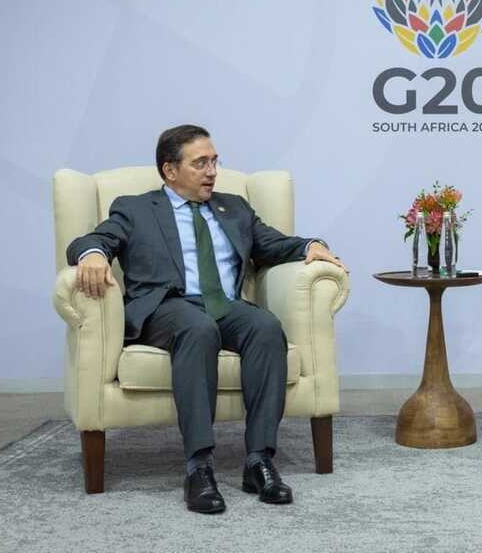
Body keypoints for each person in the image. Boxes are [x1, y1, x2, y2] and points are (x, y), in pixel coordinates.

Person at [66, 124, 347, 514]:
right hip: (167, 306)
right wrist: (94, 254)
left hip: (224, 305)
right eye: (200, 163)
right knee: (198, 329)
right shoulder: (135, 208)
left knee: (266, 328)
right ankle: (199, 467)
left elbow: (274, 243)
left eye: (214, 161)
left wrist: (311, 246)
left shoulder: (235, 208)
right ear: (170, 170)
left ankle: (259, 461)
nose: (212, 172)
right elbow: (92, 240)